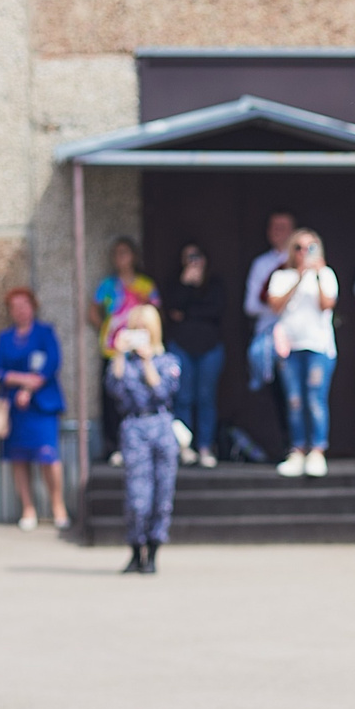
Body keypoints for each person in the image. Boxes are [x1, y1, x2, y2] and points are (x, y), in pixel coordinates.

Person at [105, 305, 182, 574]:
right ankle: (136, 548)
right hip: (134, 426)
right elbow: (115, 390)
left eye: (144, 330)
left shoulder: (168, 360)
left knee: (162, 495)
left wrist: (148, 361)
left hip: (160, 425)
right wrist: (118, 353)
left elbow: (163, 393)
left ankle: (154, 550)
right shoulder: (124, 362)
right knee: (138, 496)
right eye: (134, 330)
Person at [0, 286, 69, 530]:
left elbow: (53, 362)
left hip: (41, 404)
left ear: (33, 306)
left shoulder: (45, 332)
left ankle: (58, 506)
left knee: (48, 456)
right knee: (19, 458)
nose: (20, 311)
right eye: (15, 307)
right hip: (15, 407)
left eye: (24, 305)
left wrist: (31, 387)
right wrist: (21, 381)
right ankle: (28, 508)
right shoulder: (4, 338)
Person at [263, 229, 339, 477]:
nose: (304, 253)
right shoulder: (281, 276)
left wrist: (315, 275)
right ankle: (297, 449)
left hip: (318, 347)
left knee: (315, 399)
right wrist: (298, 277)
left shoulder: (325, 275)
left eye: (310, 248)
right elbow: (274, 306)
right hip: (289, 348)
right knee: (294, 400)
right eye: (299, 247)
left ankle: (317, 450)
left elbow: (327, 304)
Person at [158, 243, 226, 468]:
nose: (193, 261)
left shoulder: (214, 284)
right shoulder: (176, 284)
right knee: (183, 398)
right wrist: (186, 286)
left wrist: (188, 312)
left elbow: (215, 311)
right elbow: (171, 310)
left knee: (205, 398)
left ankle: (205, 446)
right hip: (182, 347)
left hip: (209, 347)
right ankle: (184, 447)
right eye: (188, 257)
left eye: (196, 256)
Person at [89, 235, 156, 463]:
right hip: (113, 349)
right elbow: (93, 310)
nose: (121, 258)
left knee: (138, 396)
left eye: (125, 252)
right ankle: (114, 445)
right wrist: (108, 330)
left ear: (134, 256)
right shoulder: (108, 285)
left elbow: (156, 313)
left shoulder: (145, 285)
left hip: (139, 351)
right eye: (117, 253)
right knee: (111, 397)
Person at [241, 209, 298, 432]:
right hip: (271, 339)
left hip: (298, 339)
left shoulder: (302, 265)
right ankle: (286, 446)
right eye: (274, 228)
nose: (279, 233)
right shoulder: (261, 264)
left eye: (283, 228)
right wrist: (277, 302)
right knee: (279, 394)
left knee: (301, 396)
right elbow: (251, 305)